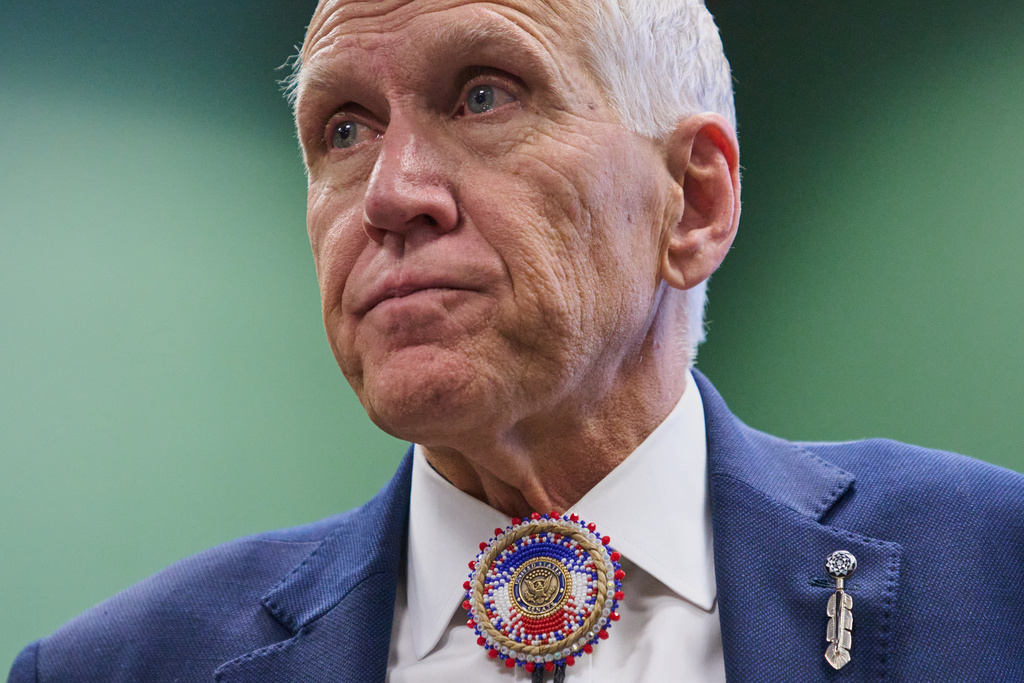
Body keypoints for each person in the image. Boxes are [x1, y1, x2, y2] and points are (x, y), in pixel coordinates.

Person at [9, 0, 1024, 681]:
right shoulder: (120, 665)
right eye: (345, 129)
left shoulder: (992, 571)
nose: (389, 195)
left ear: (693, 203)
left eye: (484, 94)